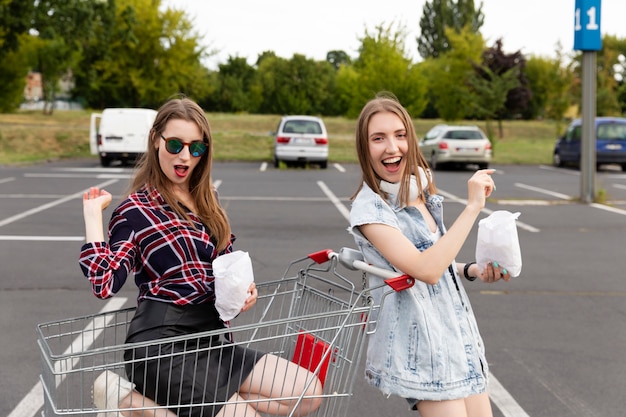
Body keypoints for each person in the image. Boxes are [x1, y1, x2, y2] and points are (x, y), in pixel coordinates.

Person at [80, 97, 323, 417]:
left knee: (308, 393)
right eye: (176, 144)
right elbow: (104, 283)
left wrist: (245, 291)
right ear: (156, 140)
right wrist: (92, 216)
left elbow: (227, 265)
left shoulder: (209, 202)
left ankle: (134, 404)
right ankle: (137, 404)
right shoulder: (134, 211)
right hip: (161, 346)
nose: (185, 156)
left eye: (196, 148)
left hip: (211, 336)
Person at [348, 94, 511, 417]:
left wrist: (472, 270)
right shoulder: (371, 211)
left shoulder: (418, 195)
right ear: (365, 149)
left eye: (400, 135)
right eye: (378, 138)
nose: (392, 147)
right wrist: (473, 208)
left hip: (458, 338)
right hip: (424, 350)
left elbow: (435, 261)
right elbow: (426, 269)